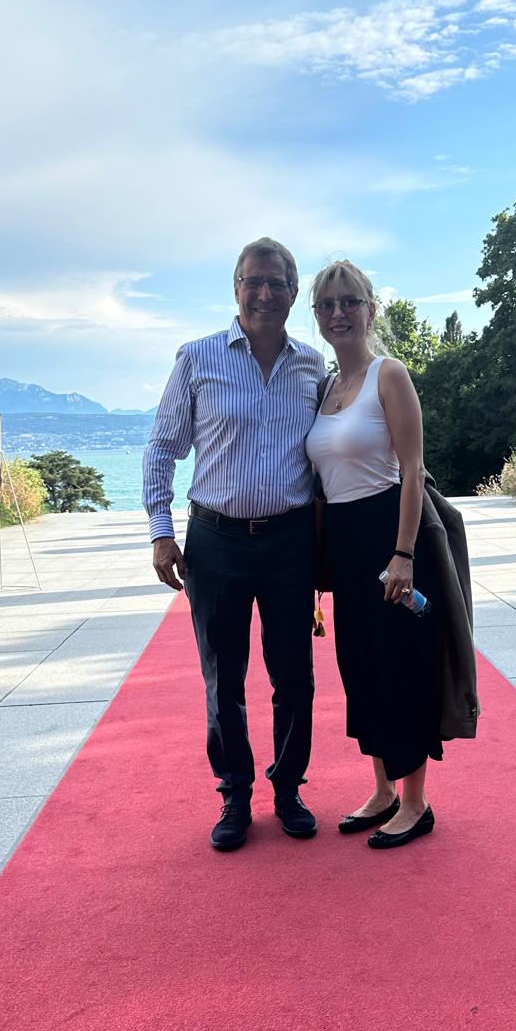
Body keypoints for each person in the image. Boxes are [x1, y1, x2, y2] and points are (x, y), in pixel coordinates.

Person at [144, 238, 326, 852]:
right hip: (216, 541)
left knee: (294, 676)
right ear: (236, 288)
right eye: (254, 281)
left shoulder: (312, 368)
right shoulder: (197, 358)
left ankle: (289, 788)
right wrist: (161, 532)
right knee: (223, 678)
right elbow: (161, 449)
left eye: (277, 283)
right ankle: (235, 794)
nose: (264, 293)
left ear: (293, 294)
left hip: (290, 542)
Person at [305, 260, 478, 849]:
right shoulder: (327, 388)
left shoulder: (389, 374)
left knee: (401, 663)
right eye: (327, 304)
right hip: (345, 543)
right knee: (360, 665)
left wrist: (403, 554)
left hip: (390, 535)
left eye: (349, 302)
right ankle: (380, 790)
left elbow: (412, 470)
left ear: (370, 309)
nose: (338, 313)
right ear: (317, 316)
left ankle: (415, 802)